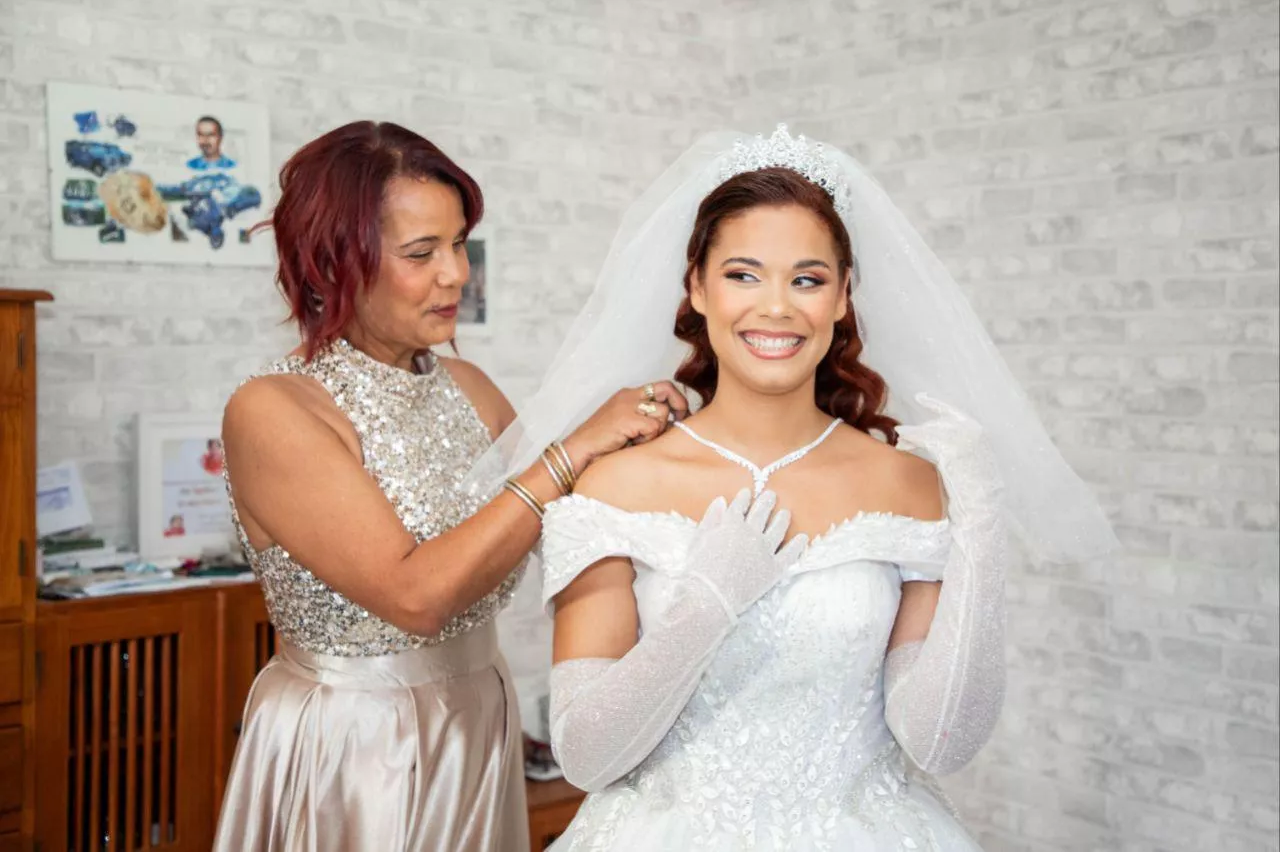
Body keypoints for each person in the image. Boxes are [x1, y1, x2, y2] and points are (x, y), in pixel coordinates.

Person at [472, 126, 1117, 850]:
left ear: (843, 296)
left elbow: (939, 741)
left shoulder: (904, 480)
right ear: (697, 287)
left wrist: (982, 530)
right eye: (744, 274)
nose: (776, 306)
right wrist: (706, 606)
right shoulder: (617, 482)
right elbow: (588, 756)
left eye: (807, 279)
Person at [212, 121, 688, 852]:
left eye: (459, 243)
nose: (457, 273)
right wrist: (571, 449)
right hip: (355, 745)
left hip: (476, 721)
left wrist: (680, 432)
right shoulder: (274, 410)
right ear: (335, 264)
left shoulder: (467, 386)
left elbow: (575, 515)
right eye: (421, 252)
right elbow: (416, 596)